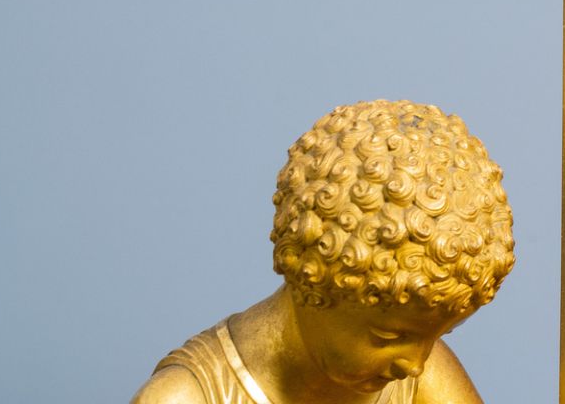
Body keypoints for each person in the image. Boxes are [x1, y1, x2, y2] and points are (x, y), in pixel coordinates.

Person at [132, 100, 515, 404]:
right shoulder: (187, 398)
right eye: (388, 335)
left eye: (437, 335)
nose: (414, 363)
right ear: (314, 285)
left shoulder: (424, 382)